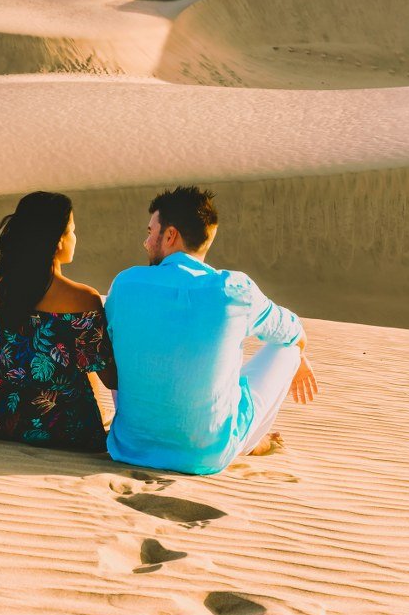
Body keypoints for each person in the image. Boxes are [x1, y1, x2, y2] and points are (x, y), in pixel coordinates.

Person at [105, 186, 318, 475]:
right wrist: (299, 355)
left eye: (150, 231)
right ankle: (248, 442)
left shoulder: (125, 284)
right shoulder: (234, 291)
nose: (146, 241)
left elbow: (108, 351)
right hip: (205, 456)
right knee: (288, 349)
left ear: (170, 236)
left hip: (130, 446)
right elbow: (294, 330)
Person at [0, 192, 117, 451]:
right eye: (72, 231)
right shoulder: (84, 299)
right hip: (64, 426)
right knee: (81, 359)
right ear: (57, 241)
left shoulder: (4, 287)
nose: (76, 238)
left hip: (6, 414)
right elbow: (107, 376)